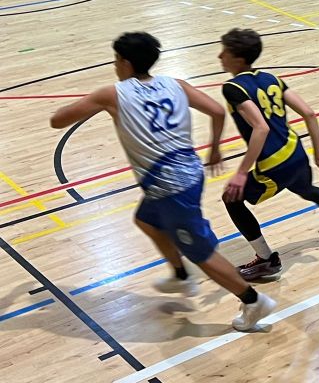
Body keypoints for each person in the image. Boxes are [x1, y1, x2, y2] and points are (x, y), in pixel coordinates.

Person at [49, 32, 276, 331]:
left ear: (125, 63)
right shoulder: (176, 84)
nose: (115, 65)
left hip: (169, 186)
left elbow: (57, 121)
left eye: (116, 60)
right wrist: (214, 148)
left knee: (202, 253)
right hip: (188, 172)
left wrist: (79, 103)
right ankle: (180, 276)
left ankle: (253, 301)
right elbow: (217, 111)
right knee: (146, 220)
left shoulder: (112, 94)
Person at [217, 28, 319, 282]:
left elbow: (261, 128)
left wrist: (241, 173)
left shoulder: (232, 88)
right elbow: (308, 113)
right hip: (296, 152)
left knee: (231, 199)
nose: (220, 56)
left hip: (275, 164)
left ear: (238, 59)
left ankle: (266, 259)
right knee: (307, 189)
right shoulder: (271, 78)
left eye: (225, 52)